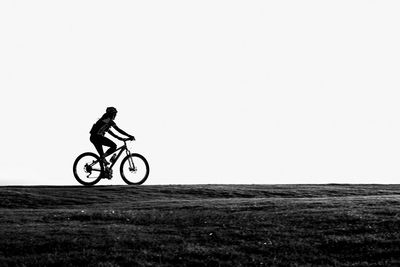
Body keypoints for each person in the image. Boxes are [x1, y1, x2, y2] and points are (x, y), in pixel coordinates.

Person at [90, 107, 135, 177]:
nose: (115, 116)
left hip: (95, 137)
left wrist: (120, 138)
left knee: (102, 157)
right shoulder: (108, 120)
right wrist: (130, 136)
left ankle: (103, 172)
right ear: (112, 114)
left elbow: (112, 133)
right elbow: (118, 130)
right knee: (113, 146)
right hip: (96, 137)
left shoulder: (105, 121)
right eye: (115, 114)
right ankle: (105, 159)